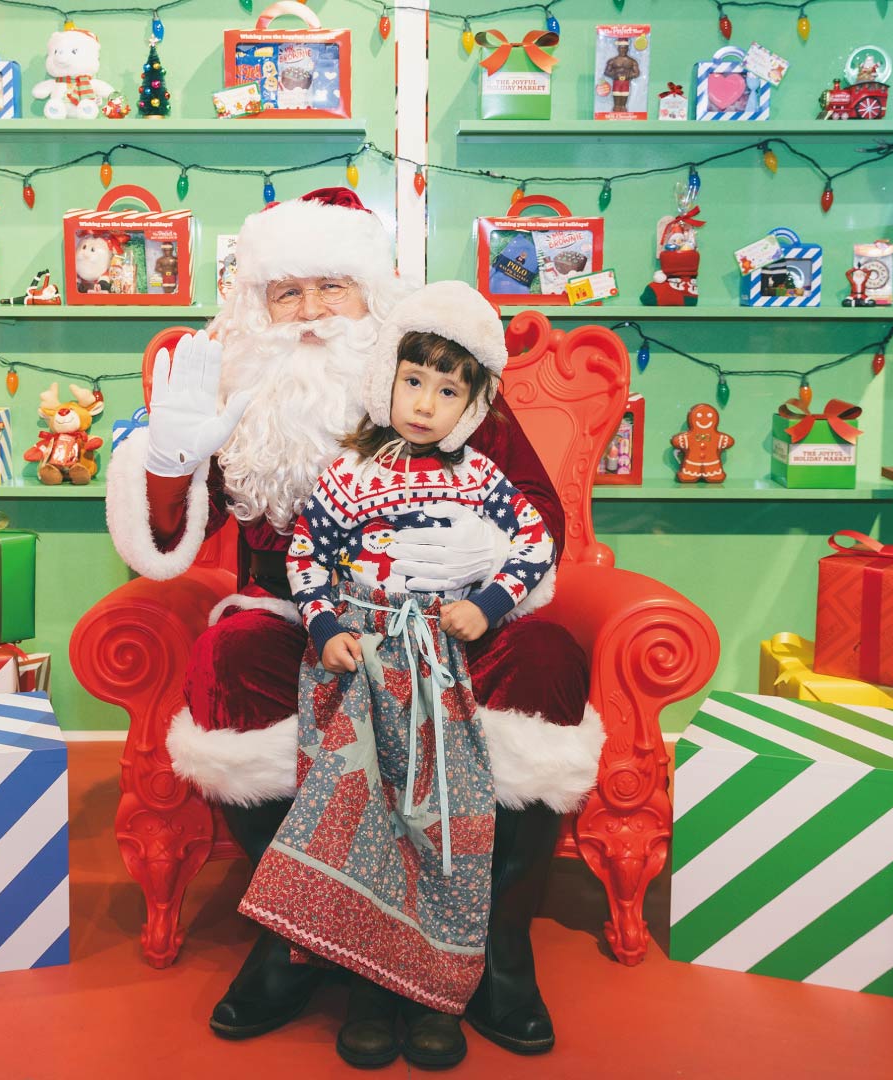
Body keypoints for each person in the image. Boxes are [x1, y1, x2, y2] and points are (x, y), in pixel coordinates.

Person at [105, 188, 605, 1057]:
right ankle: (298, 937)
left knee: (550, 658)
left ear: (373, 296)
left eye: (331, 289)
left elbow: (536, 513)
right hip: (296, 610)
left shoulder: (437, 376)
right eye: (286, 294)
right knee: (228, 660)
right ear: (257, 308)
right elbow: (167, 539)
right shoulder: (234, 388)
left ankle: (495, 943)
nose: (309, 316)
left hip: (449, 621)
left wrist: (467, 570)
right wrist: (169, 461)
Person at [239, 281, 555, 1068]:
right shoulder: (350, 474)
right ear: (388, 380)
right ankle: (367, 985)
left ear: (472, 407)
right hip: (357, 668)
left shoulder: (480, 478)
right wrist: (324, 623)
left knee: (440, 818)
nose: (425, 403)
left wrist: (487, 599)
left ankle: (435, 991)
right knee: (361, 819)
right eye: (414, 381)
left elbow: (535, 544)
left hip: (435, 673)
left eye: (448, 391)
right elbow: (306, 554)